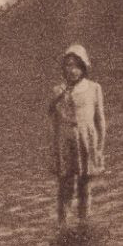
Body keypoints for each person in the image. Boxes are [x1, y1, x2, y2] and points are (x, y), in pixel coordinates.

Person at [49, 44, 106, 224]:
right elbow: (52, 121)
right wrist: (54, 150)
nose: (72, 70)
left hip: (86, 140)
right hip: (66, 142)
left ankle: (84, 221)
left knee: (85, 184)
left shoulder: (94, 88)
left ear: (83, 67)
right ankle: (63, 224)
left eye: (75, 65)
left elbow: (100, 120)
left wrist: (99, 147)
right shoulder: (58, 91)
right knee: (65, 185)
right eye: (68, 65)